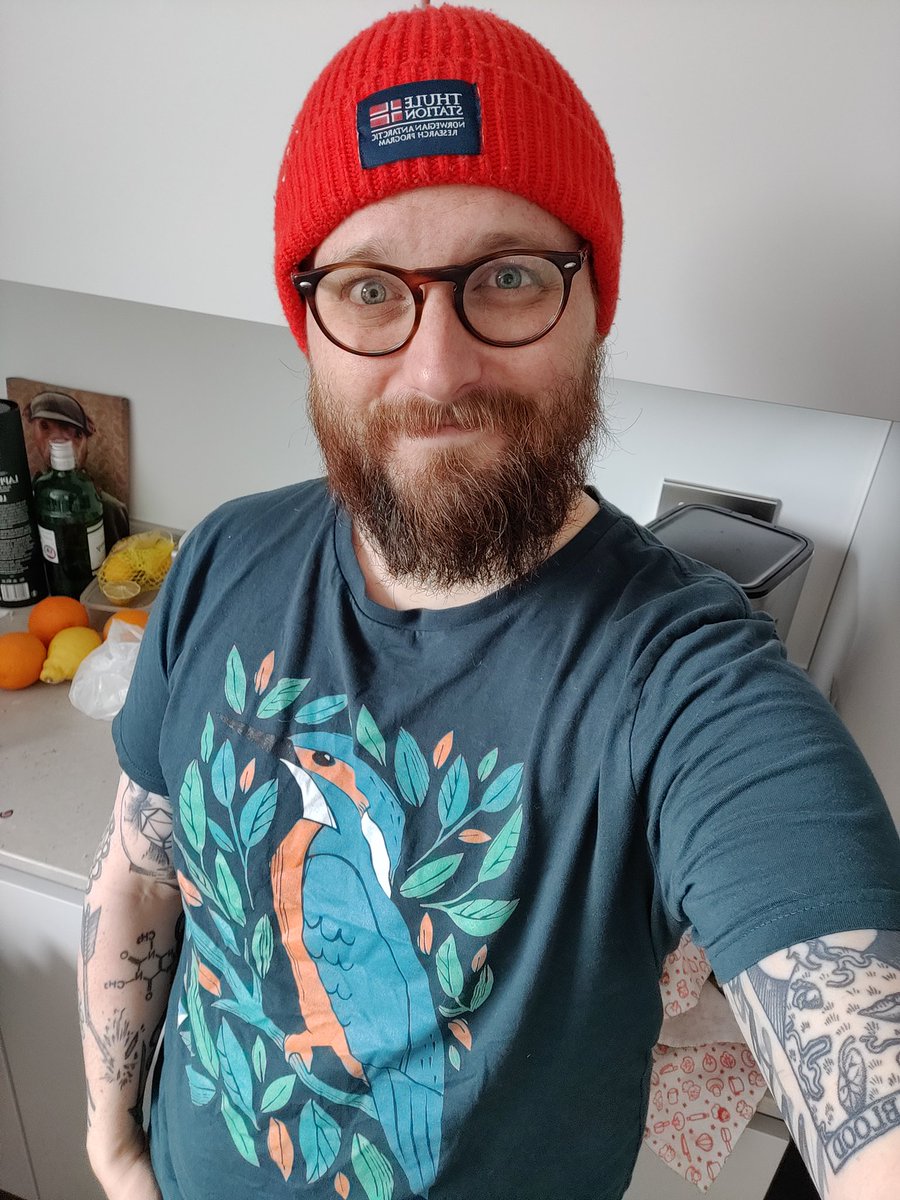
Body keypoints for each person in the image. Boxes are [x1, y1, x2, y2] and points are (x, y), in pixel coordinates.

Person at [78, 6, 900, 1199]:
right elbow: (143, 874)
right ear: (307, 322)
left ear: (595, 305)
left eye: (508, 277)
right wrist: (114, 1150)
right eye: (371, 288)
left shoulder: (680, 680)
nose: (438, 368)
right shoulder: (221, 559)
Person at [28, 390, 131, 547]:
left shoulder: (111, 509)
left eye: (77, 434)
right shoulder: (26, 497)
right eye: (45, 426)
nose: (60, 440)